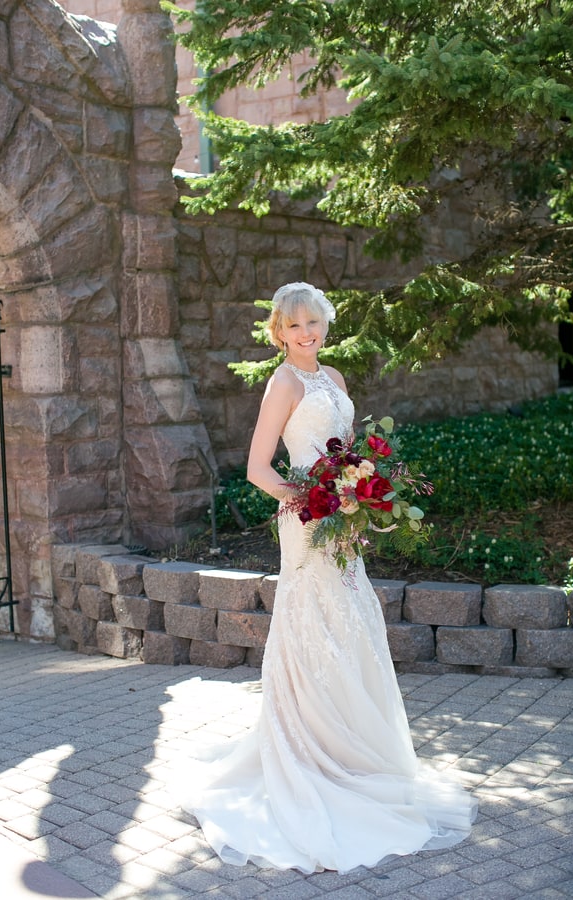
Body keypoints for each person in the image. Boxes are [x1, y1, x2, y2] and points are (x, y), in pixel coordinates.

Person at [177, 282, 477, 873]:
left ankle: (356, 751)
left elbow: (349, 451)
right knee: (314, 622)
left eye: (313, 322)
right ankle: (308, 753)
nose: (306, 333)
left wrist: (364, 491)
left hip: (344, 525)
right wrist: (314, 500)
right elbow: (258, 469)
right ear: (279, 333)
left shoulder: (335, 379)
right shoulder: (283, 382)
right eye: (294, 326)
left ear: (325, 323)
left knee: (353, 620)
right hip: (308, 523)